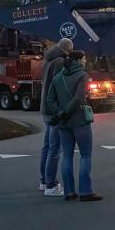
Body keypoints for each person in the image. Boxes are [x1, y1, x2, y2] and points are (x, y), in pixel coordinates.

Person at [46, 49, 102, 202]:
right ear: (78, 60)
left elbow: (50, 99)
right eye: (84, 59)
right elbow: (79, 98)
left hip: (63, 124)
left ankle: (69, 192)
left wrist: (59, 113)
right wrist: (66, 112)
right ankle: (85, 191)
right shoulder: (82, 75)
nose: (85, 61)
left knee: (67, 155)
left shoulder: (58, 77)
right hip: (80, 121)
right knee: (85, 155)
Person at [38, 37, 73, 197]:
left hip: (45, 108)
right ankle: (51, 185)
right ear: (68, 50)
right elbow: (60, 87)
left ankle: (44, 180)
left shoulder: (48, 60)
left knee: (47, 147)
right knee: (55, 148)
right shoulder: (59, 62)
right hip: (54, 110)